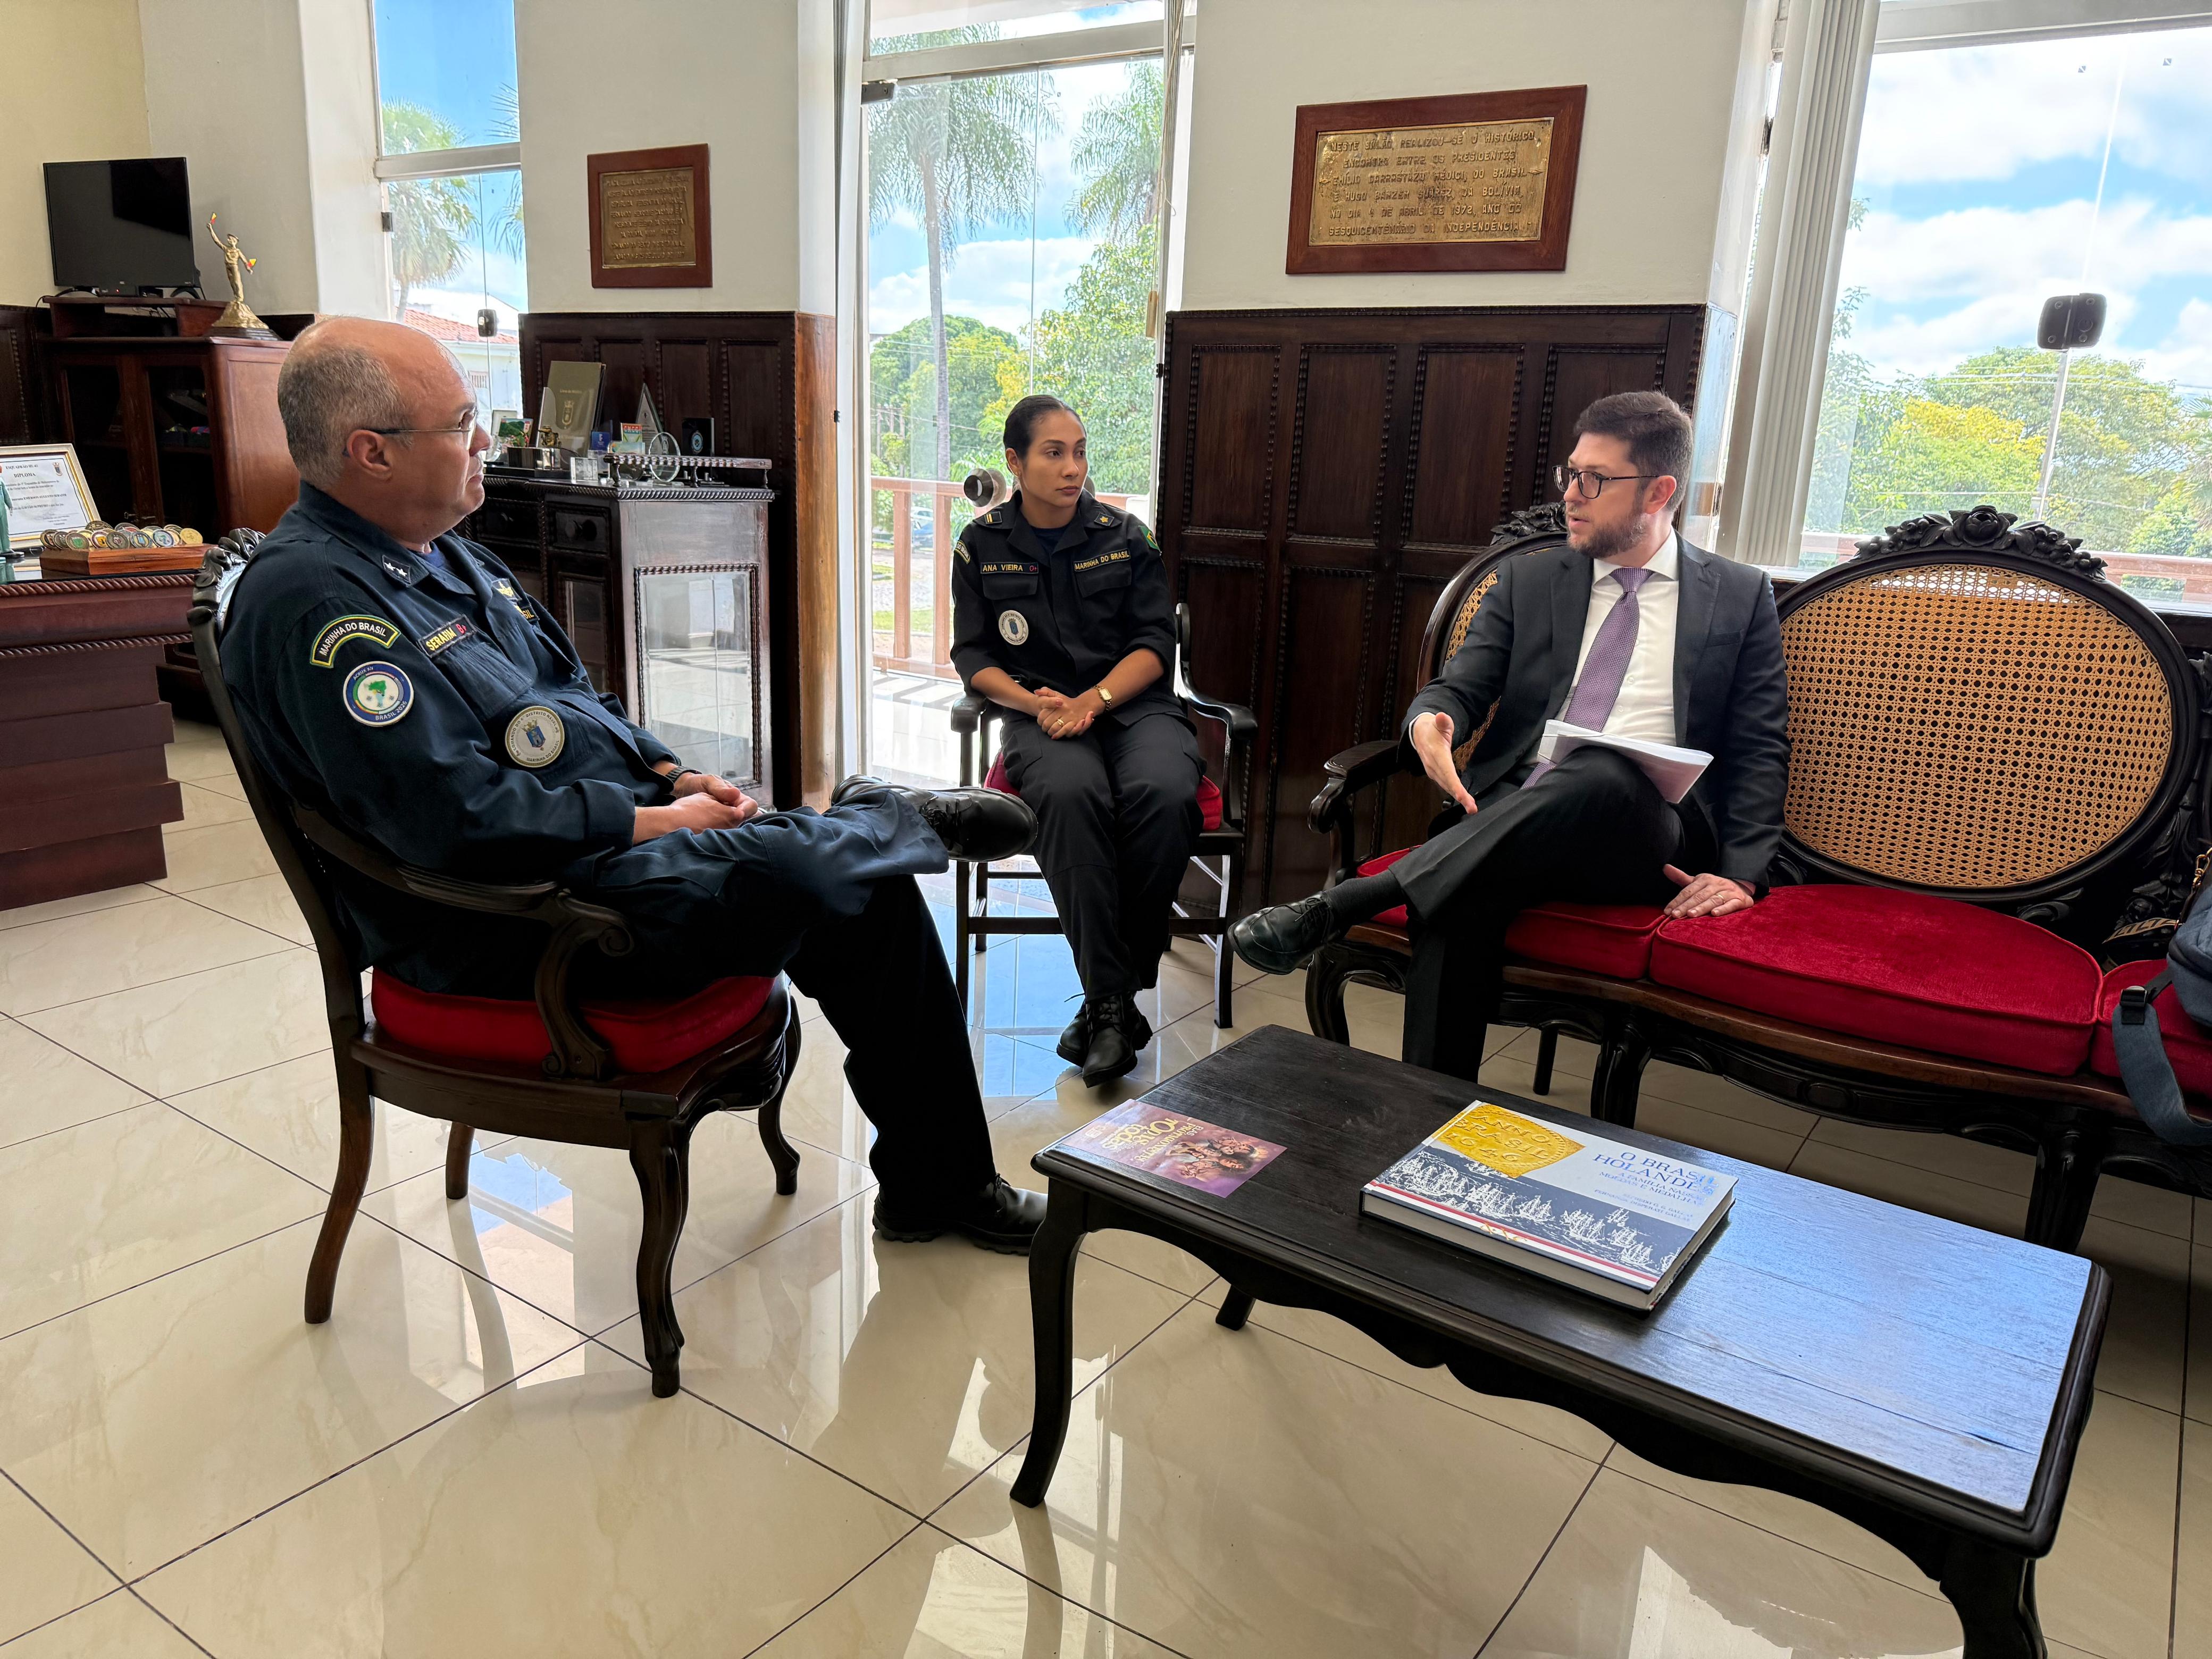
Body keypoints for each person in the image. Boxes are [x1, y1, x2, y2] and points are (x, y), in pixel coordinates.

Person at [221, 317, 1048, 1252]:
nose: (486, 439)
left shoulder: (445, 552)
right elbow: (456, 821)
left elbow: (575, 700)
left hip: (590, 854)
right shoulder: (319, 603)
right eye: (459, 424)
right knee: (806, 869)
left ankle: (939, 1184)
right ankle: (891, 816)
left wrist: (669, 773)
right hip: (502, 918)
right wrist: (657, 821)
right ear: (371, 453)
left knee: (862, 886)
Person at [1230, 390, 1791, 1082]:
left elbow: (1760, 746)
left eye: (1596, 479)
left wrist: (1740, 874)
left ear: (1659, 492)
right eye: (1570, 474)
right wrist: (1430, 721)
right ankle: (1428, 1114)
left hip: (1645, 837)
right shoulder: (1529, 581)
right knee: (1458, 893)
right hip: (1514, 814)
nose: (1572, 495)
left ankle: (1344, 905)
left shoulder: (1738, 595)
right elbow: (1460, 688)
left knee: (1603, 770)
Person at [950, 395, 1204, 1086]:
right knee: (1069, 793)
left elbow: (1155, 644)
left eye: (1080, 452)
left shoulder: (1126, 535)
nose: (1073, 468)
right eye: (1054, 453)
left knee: (1165, 790)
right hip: (1040, 714)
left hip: (1133, 706)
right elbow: (973, 656)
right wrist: (1032, 702)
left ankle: (1104, 1001)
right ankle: (1115, 1005)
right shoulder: (980, 545)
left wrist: (1094, 701)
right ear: (1015, 462)